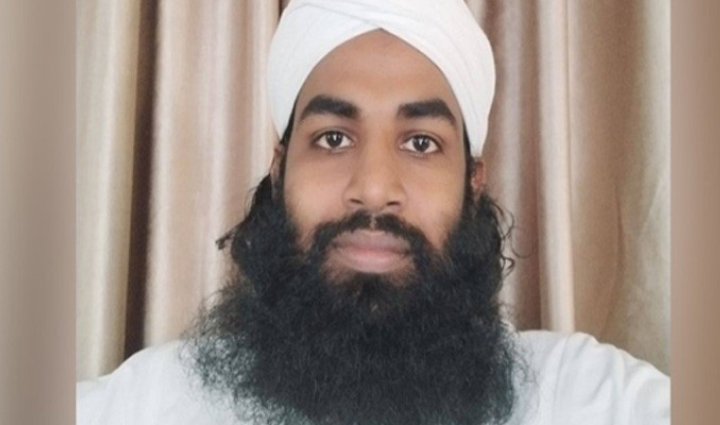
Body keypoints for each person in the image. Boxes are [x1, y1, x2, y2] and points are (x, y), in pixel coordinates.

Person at [77, 1, 670, 424]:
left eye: (421, 143)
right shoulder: (148, 404)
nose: (374, 188)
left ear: (472, 184)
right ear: (279, 172)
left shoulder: (588, 398)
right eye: (333, 138)